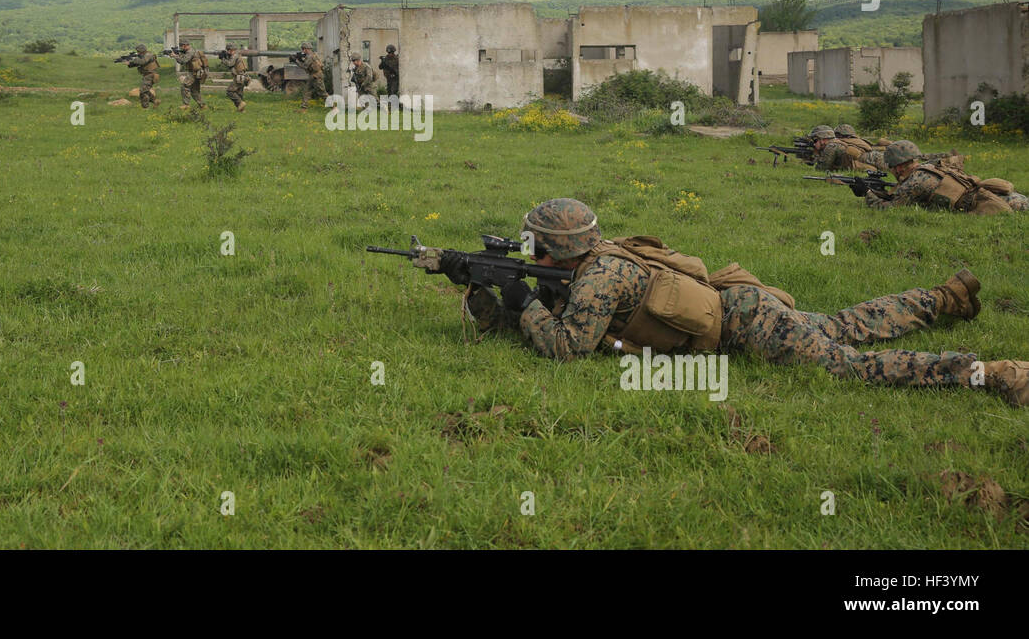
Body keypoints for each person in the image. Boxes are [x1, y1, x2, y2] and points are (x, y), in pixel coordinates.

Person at [427, 197, 1028, 407]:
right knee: (844, 323)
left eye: (535, 244)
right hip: (737, 301)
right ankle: (944, 298)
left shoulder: (597, 279)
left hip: (745, 325)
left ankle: (988, 372)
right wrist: (474, 279)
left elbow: (565, 349)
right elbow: (551, 309)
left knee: (847, 363)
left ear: (556, 249)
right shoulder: (593, 260)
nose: (528, 248)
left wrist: (517, 298)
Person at [865, 141, 1027, 213]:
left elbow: (891, 209)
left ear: (899, 167)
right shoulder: (930, 166)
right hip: (993, 194)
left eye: (892, 167)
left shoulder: (916, 181)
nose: (892, 171)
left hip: (989, 202)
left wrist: (868, 195)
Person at [809, 125, 886, 172]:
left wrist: (816, 154)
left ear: (823, 139)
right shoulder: (838, 142)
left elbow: (820, 169)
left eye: (815, 140)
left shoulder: (831, 146)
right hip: (875, 158)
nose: (814, 143)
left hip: (874, 160)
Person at [171, 41, 208, 108]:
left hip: (194, 73)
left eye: (181, 46)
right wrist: (178, 55)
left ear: (185, 46)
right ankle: (202, 105)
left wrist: (175, 56)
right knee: (194, 90)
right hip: (197, 72)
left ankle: (186, 105)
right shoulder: (192, 51)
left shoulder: (190, 52)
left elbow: (183, 61)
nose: (181, 48)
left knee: (184, 86)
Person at [126, 44, 160, 108]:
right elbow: (138, 64)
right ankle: (155, 101)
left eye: (138, 51)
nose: (137, 52)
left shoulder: (148, 55)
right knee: (145, 90)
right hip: (148, 75)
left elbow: (142, 62)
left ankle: (145, 107)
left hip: (150, 75)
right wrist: (129, 63)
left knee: (143, 91)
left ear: (142, 51)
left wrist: (133, 59)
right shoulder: (144, 56)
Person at [219, 43, 249, 112]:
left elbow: (230, 64)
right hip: (243, 77)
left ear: (232, 50)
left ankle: (241, 103)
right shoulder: (237, 55)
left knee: (230, 91)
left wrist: (223, 59)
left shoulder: (235, 55)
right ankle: (241, 110)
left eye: (228, 50)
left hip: (239, 77)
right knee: (239, 94)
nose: (228, 51)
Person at [297, 42, 326, 109]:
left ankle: (333, 107)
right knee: (307, 91)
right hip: (313, 75)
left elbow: (305, 66)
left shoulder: (310, 56)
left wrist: (297, 61)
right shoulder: (311, 55)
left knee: (322, 93)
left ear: (307, 49)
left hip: (316, 76)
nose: (303, 51)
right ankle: (303, 107)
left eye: (303, 49)